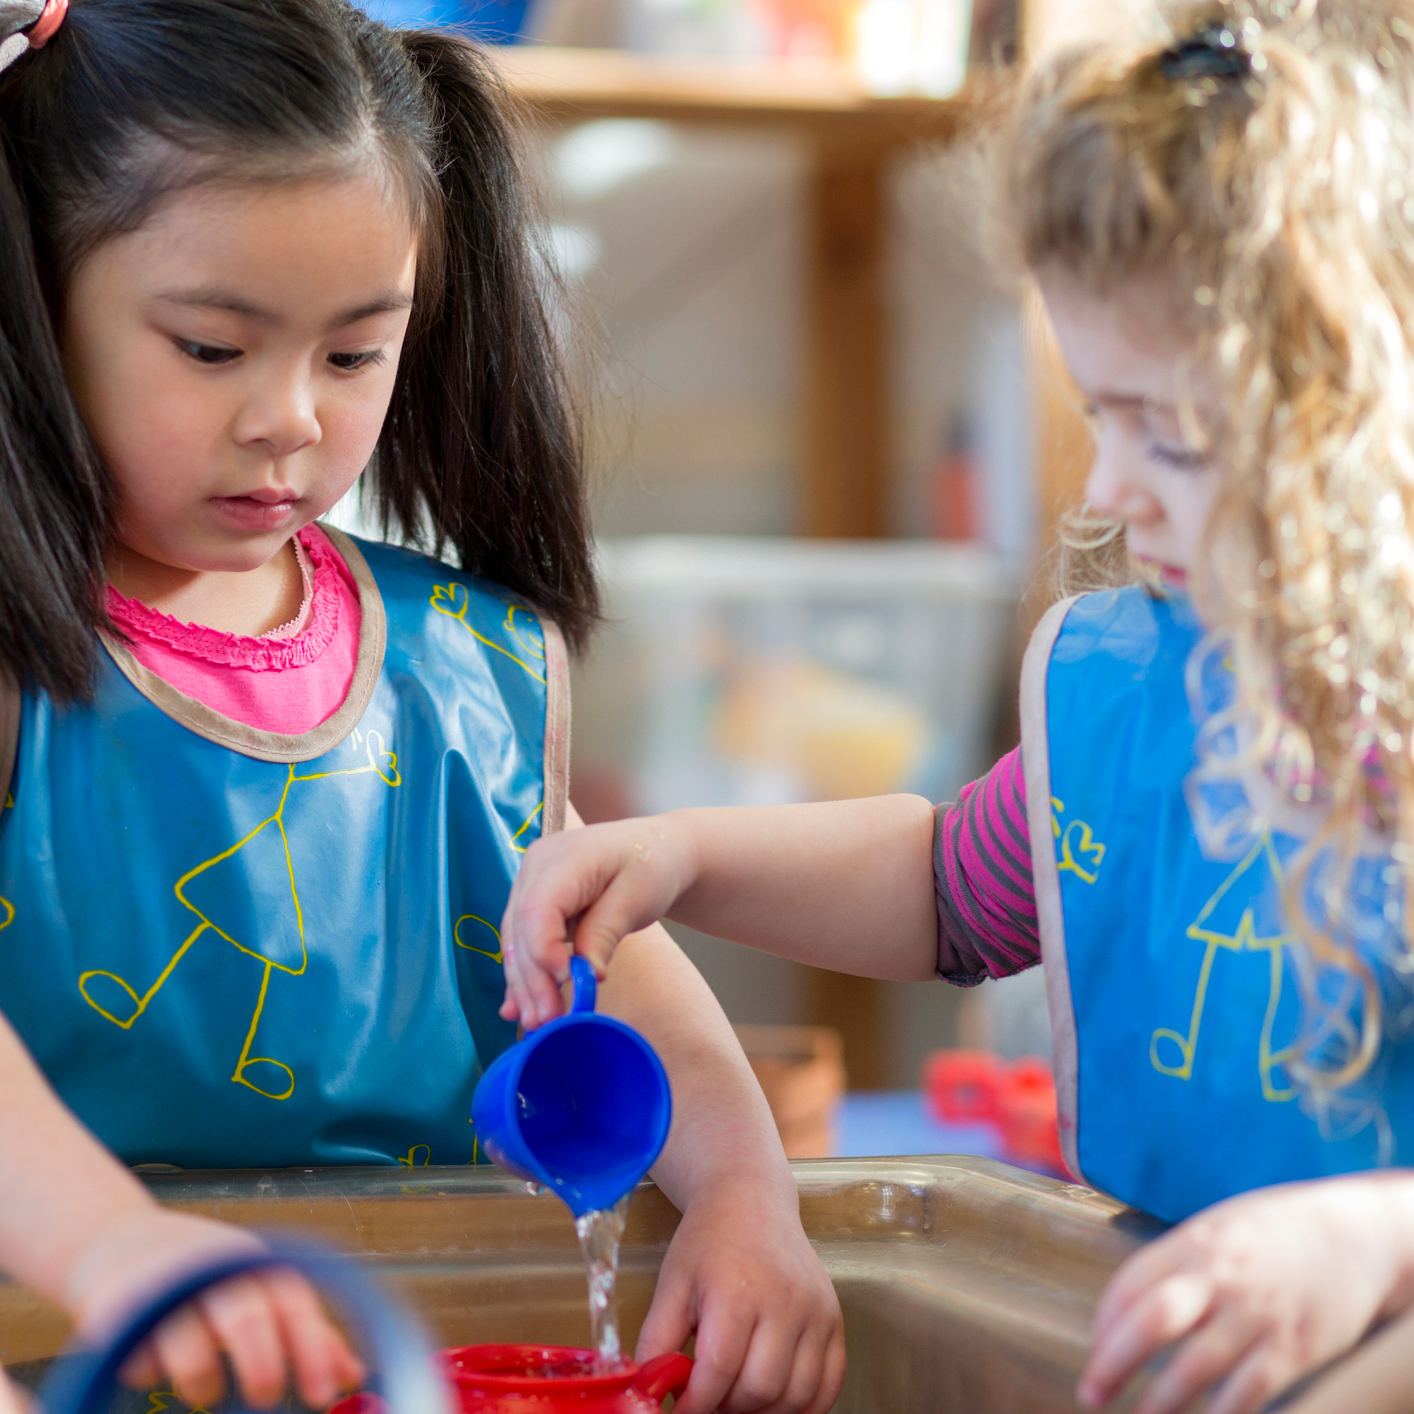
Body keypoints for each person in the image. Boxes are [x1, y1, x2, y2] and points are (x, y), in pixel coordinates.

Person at [498, 4, 1414, 1413]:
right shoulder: (1131, 676)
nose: (1105, 487)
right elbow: (949, 887)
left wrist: (1372, 1239)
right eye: (1096, 413)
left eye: (1170, 436)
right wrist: (685, 853)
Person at [0, 2, 843, 1411]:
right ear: (30, 296)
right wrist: (115, 1247)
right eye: (212, 348)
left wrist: (749, 1196)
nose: (291, 418)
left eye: (351, 354)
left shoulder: (463, 672)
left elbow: (609, 959)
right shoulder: (25, 660)